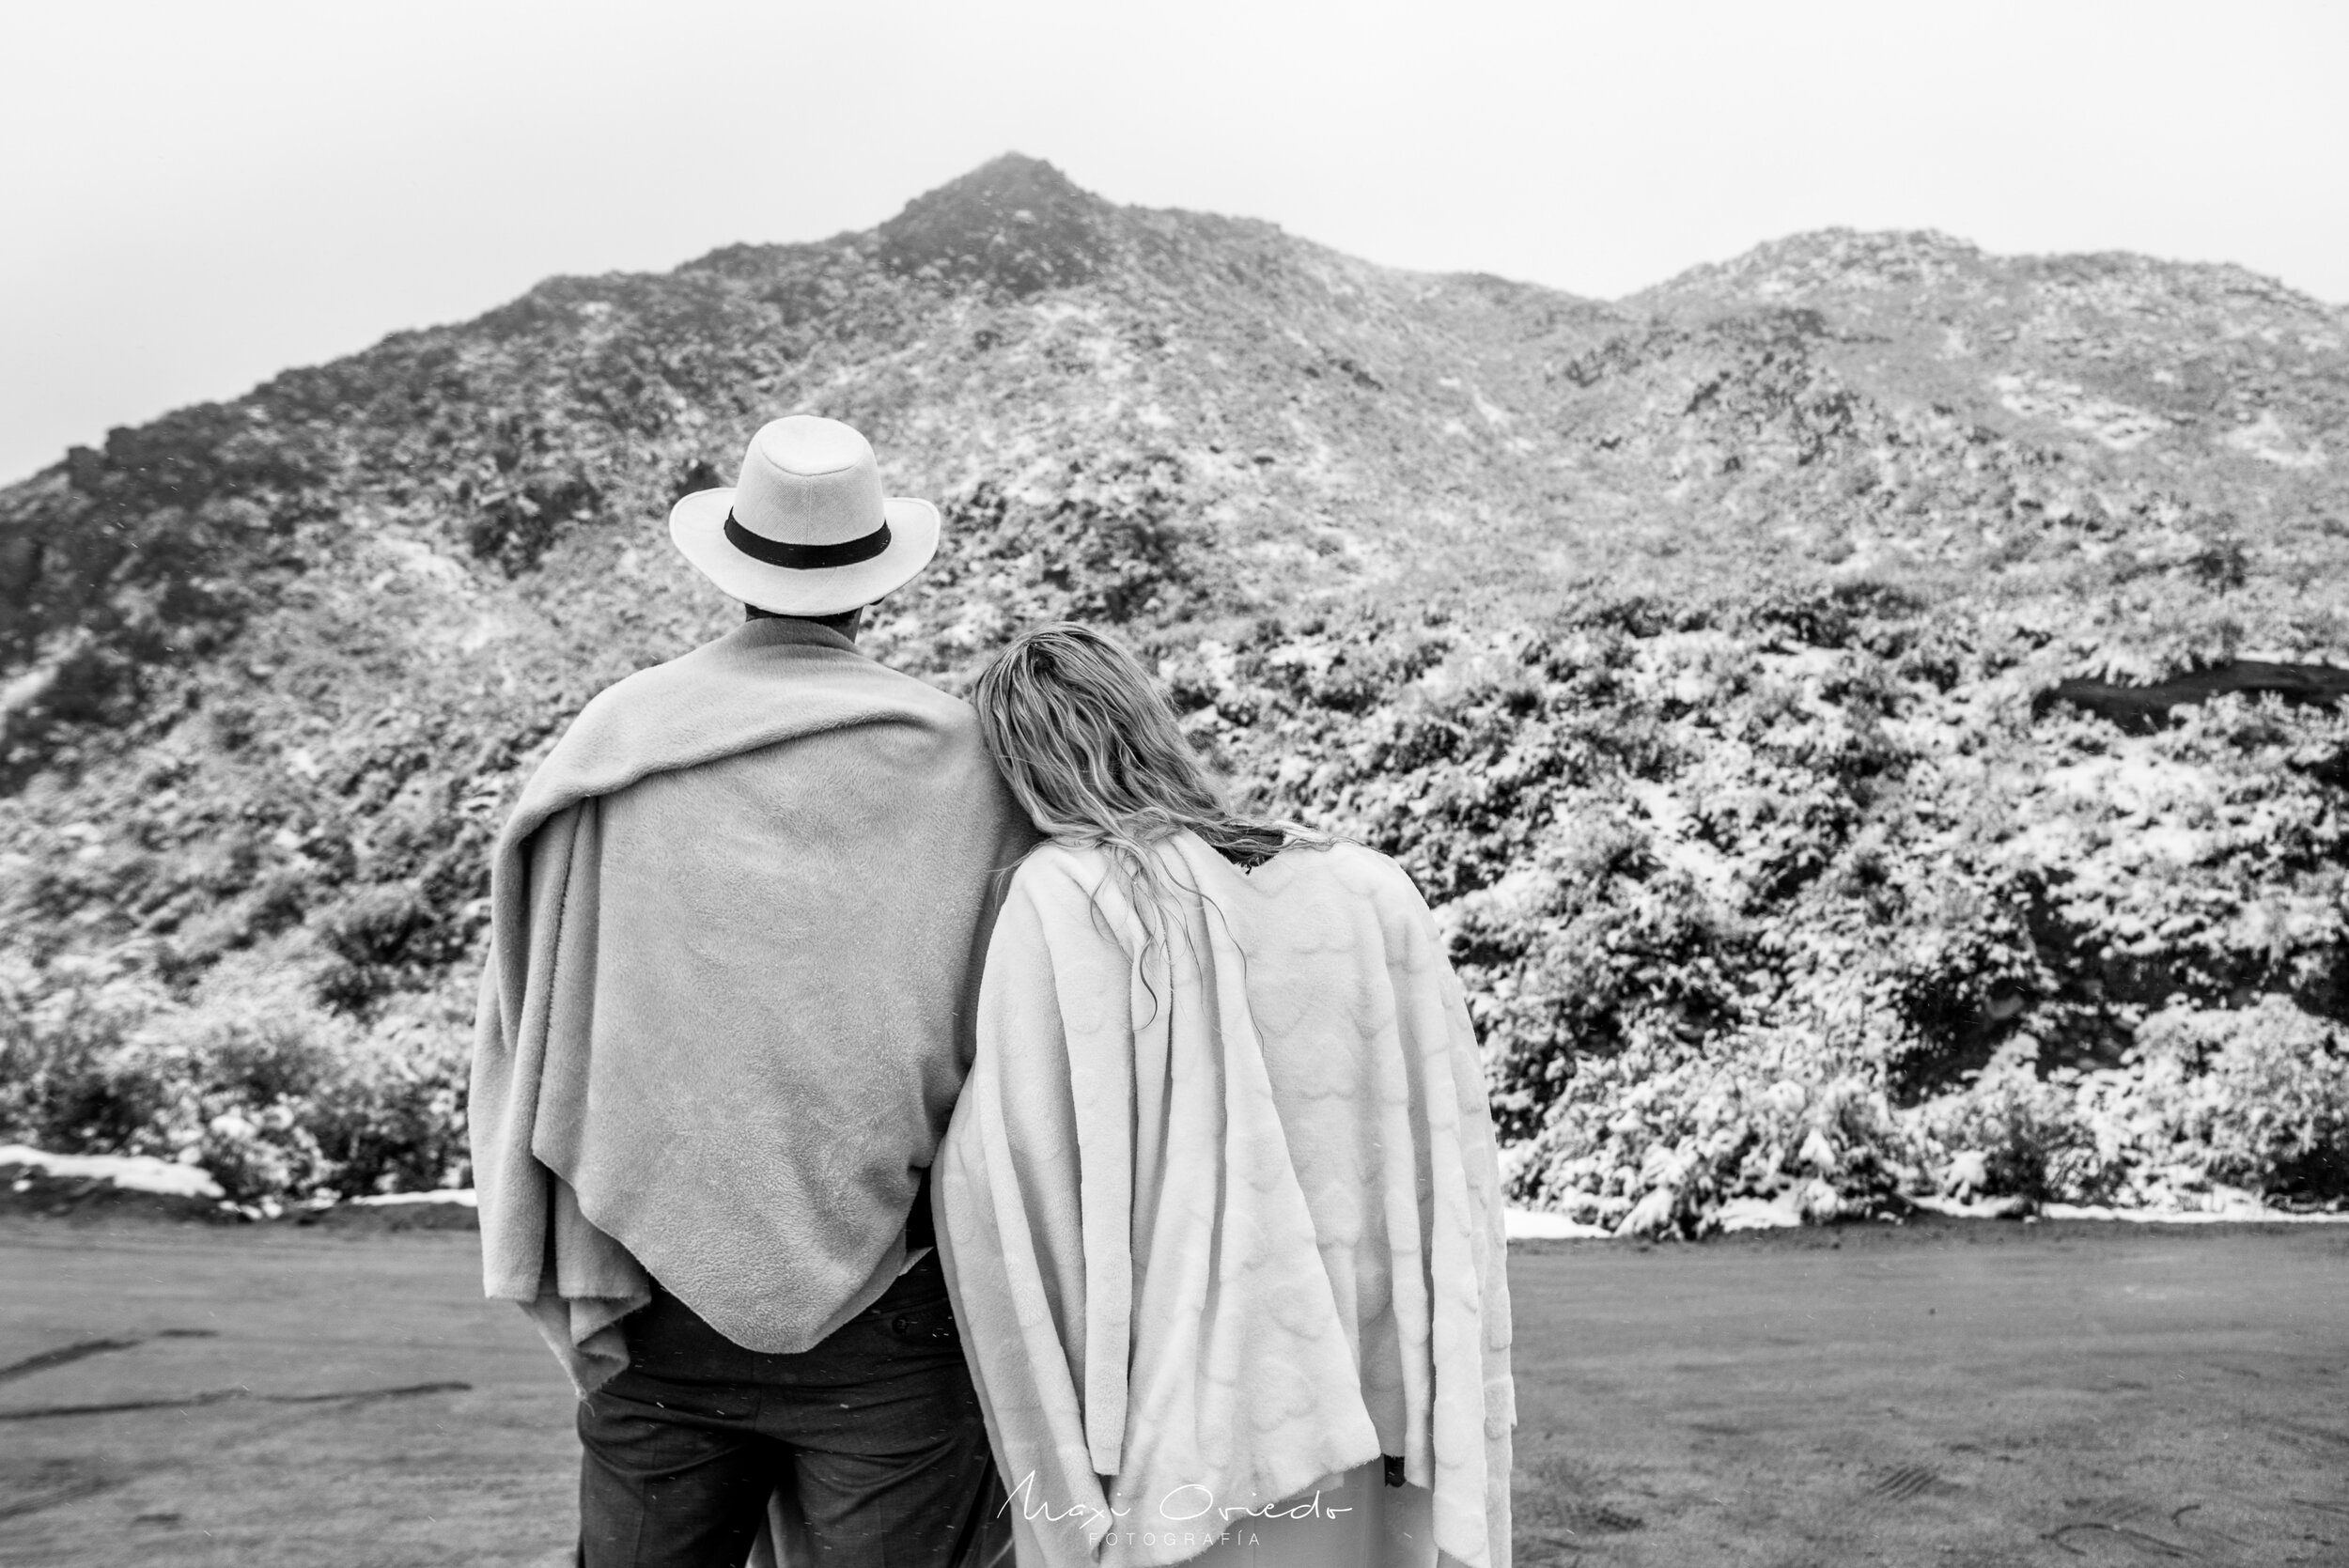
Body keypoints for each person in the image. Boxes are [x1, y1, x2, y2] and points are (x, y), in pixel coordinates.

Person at [470, 414, 1035, 1568]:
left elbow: (529, 1010)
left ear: (731, 568)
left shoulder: (614, 743)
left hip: (655, 1293)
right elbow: (1020, 1039)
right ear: (874, 582)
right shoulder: (965, 764)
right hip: (900, 1307)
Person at [936, 623, 1515, 1568]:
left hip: (1201, 1422)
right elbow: (1451, 1166)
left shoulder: (1069, 896)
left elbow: (1011, 1179)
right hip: (1387, 1397)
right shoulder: (1370, 891)